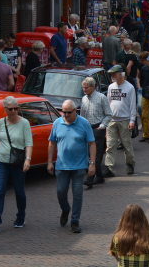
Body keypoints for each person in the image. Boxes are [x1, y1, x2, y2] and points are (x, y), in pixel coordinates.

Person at [47, 100, 96, 233]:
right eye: (64, 112)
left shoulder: (84, 123)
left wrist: (92, 163)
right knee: (60, 192)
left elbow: (92, 143)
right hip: (62, 165)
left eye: (69, 112)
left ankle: (75, 221)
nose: (66, 115)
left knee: (78, 194)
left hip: (79, 166)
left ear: (75, 111)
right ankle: (65, 209)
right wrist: (50, 161)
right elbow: (52, 143)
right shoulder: (57, 123)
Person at [0, 96, 33, 234]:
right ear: (5, 110)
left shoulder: (24, 123)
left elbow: (29, 143)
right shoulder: (0, 122)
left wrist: (28, 159)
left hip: (17, 162)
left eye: (16, 108)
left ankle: (21, 216)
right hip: (1, 161)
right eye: (11, 109)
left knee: (19, 191)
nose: (14, 111)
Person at [103, 65, 137, 177]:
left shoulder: (130, 87)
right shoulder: (111, 87)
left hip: (125, 120)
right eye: (111, 74)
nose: (112, 76)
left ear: (120, 74)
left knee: (126, 144)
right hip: (112, 120)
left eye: (114, 74)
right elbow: (108, 103)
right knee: (110, 145)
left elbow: (133, 105)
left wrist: (132, 120)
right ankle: (109, 167)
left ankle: (130, 164)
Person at [80, 78, 113, 187]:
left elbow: (109, 114)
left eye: (86, 88)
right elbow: (82, 116)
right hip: (87, 129)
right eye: (83, 88)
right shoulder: (84, 99)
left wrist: (101, 126)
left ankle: (90, 178)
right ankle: (99, 176)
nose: (84, 90)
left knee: (96, 153)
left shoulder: (101, 98)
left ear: (93, 86)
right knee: (90, 153)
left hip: (97, 129)